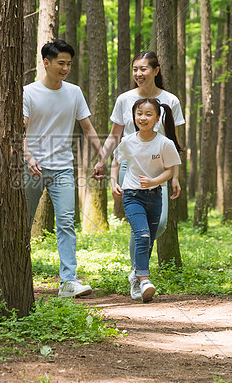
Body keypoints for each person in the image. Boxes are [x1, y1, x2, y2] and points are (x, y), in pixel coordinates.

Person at [94, 51, 185, 295]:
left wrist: (175, 175)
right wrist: (102, 160)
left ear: (156, 71)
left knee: (161, 224)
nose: (138, 74)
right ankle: (139, 275)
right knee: (141, 229)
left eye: (143, 69)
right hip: (130, 166)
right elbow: (115, 136)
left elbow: (174, 141)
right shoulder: (125, 99)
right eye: (135, 69)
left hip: (159, 170)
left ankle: (137, 268)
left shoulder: (171, 101)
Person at [24, 40, 107, 298]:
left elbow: (88, 128)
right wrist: (28, 157)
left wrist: (102, 156)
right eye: (61, 63)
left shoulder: (74, 92)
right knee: (22, 223)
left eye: (69, 63)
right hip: (32, 168)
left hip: (62, 168)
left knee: (66, 223)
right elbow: (20, 130)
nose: (66, 68)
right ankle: (18, 274)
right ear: (46, 63)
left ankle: (68, 281)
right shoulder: (28, 92)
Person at [111, 97, 182, 301]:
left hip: (155, 196)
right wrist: (113, 182)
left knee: (148, 240)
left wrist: (154, 181)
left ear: (158, 118)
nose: (143, 118)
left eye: (148, 114)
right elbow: (116, 161)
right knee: (142, 236)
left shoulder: (165, 143)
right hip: (132, 195)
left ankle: (135, 275)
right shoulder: (128, 141)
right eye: (139, 113)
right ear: (134, 117)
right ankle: (144, 279)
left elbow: (170, 171)